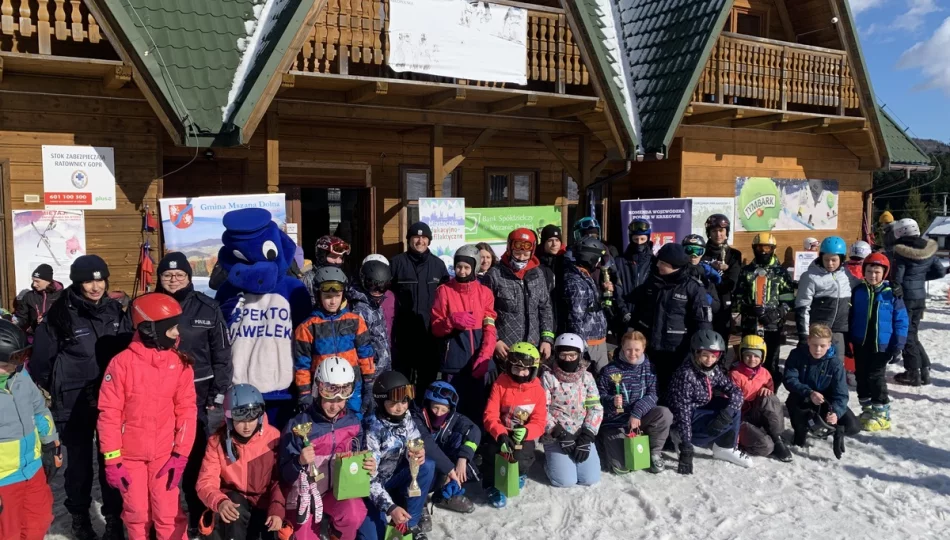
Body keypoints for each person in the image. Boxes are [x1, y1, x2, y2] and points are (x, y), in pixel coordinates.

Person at [28, 255, 131, 540]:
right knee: (79, 464)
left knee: (112, 458)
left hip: (111, 398)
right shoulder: (60, 314)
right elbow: (41, 363)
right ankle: (80, 517)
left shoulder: (115, 311)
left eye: (100, 279)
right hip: (73, 401)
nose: (95, 286)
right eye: (88, 280)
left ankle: (112, 519)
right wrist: (60, 385)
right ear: (77, 282)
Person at [97, 293, 197, 540]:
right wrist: (112, 459)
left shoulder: (179, 364)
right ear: (151, 329)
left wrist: (180, 454)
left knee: (168, 514)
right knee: (137, 513)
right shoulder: (121, 364)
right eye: (171, 328)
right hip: (130, 457)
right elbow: (108, 414)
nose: (177, 333)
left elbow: (186, 411)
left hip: (165, 456)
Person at [154, 252, 232, 531]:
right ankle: (165, 518)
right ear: (159, 278)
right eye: (167, 275)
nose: (173, 279)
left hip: (200, 395)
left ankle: (199, 515)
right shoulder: (149, 306)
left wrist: (219, 392)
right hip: (159, 396)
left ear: (188, 277)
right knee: (163, 458)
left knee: (197, 457)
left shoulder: (206, 307)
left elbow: (222, 354)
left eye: (180, 275)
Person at [280, 358, 374, 540]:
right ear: (318, 391)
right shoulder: (299, 424)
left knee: (354, 512)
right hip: (305, 497)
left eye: (341, 400)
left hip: (337, 493)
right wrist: (298, 461)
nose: (335, 405)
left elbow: (359, 457)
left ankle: (336, 533)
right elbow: (284, 474)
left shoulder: (353, 423)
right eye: (329, 398)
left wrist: (368, 467)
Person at [196, 384, 284, 540]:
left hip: (263, 503)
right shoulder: (217, 442)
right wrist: (219, 501)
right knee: (233, 509)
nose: (247, 426)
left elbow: (279, 481)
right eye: (240, 419)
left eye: (252, 419)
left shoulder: (273, 438)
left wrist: (276, 510)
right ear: (229, 418)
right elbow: (206, 481)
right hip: (234, 502)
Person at [0, 319, 61, 540]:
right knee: (9, 533)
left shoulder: (20, 376)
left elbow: (40, 410)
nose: (14, 366)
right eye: (8, 361)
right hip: (4, 480)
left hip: (32, 469)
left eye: (19, 359)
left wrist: (50, 444)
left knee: (39, 522)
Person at [360, 371, 436, 540]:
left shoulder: (406, 417)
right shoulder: (372, 429)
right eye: (394, 402)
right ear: (381, 401)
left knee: (427, 466)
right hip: (372, 488)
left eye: (404, 401)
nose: (400, 407)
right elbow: (368, 479)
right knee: (373, 536)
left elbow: (414, 442)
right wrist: (390, 507)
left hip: (393, 477)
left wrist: (416, 455)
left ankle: (409, 525)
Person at [631, 243, 711, 397]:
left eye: (663, 263)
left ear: (675, 266)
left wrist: (698, 351)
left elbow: (703, 323)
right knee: (651, 391)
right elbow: (638, 311)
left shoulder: (693, 287)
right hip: (650, 348)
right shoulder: (652, 282)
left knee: (674, 393)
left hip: (677, 352)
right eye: (659, 261)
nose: (658, 265)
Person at [294, 266, 375, 417]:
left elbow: (366, 355)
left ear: (343, 295)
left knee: (354, 423)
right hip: (324, 388)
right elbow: (301, 364)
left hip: (352, 385)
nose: (333, 301)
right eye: (327, 296)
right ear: (318, 295)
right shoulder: (307, 327)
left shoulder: (355, 321)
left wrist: (369, 384)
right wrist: (304, 393)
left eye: (337, 296)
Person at [430, 245, 498, 423]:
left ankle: (477, 445)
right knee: (453, 407)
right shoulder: (444, 291)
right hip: (453, 362)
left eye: (467, 267)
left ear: (474, 268)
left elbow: (490, 329)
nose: (462, 271)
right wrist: (451, 321)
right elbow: (436, 328)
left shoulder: (485, 293)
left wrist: (485, 358)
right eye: (458, 266)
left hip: (477, 362)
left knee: (478, 408)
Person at [668, 330, 751, 475]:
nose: (709, 360)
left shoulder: (713, 370)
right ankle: (682, 437)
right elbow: (683, 412)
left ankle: (725, 448)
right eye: (705, 355)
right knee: (726, 420)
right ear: (696, 353)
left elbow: (735, 391)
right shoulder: (686, 375)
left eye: (714, 356)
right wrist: (686, 446)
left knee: (732, 408)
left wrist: (727, 413)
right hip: (684, 419)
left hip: (701, 410)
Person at [597, 331, 672, 474]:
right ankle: (604, 441)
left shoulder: (649, 368)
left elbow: (653, 394)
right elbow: (599, 396)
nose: (632, 353)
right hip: (615, 422)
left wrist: (637, 413)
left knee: (664, 413)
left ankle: (654, 452)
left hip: (638, 419)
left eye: (637, 349)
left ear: (643, 349)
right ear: (622, 348)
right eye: (628, 349)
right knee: (621, 468)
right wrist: (611, 400)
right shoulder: (609, 370)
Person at [481, 342, 546, 508]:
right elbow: (490, 414)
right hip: (501, 431)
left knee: (523, 456)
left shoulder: (538, 390)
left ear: (533, 370)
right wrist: (500, 433)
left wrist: (527, 431)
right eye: (516, 368)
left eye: (525, 369)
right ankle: (492, 485)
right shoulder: (500, 384)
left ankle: (520, 473)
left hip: (522, 434)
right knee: (491, 453)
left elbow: (539, 421)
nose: (520, 373)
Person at [850, 253, 908, 430]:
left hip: (882, 345)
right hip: (861, 342)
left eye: (877, 272)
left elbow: (901, 320)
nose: (873, 275)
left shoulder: (892, 294)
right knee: (861, 376)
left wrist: (898, 346)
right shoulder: (859, 292)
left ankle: (882, 413)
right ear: (863, 272)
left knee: (875, 378)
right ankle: (868, 409)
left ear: (884, 273)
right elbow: (851, 316)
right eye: (869, 271)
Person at [784, 323, 859, 459]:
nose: (818, 349)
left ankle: (836, 430)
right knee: (795, 404)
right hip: (803, 395)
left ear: (829, 345)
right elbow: (790, 379)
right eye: (814, 345)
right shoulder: (797, 355)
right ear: (808, 342)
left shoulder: (835, 363)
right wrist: (809, 392)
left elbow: (841, 393)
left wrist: (835, 412)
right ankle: (800, 432)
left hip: (826, 400)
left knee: (853, 426)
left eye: (822, 346)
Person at [390, 222, 450, 390]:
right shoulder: (396, 263)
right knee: (402, 381)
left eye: (424, 237)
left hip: (429, 335)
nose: (420, 241)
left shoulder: (438, 265)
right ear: (409, 239)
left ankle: (424, 413)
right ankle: (404, 412)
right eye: (416, 237)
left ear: (429, 241)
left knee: (427, 379)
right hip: (404, 334)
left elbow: (447, 299)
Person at [539, 334, 603, 487]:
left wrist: (587, 435)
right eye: (563, 355)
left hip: (581, 434)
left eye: (572, 355)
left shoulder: (587, 377)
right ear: (557, 354)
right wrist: (559, 432)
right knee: (565, 481)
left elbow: (595, 407)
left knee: (590, 479)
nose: (568, 359)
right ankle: (549, 463)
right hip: (557, 434)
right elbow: (542, 409)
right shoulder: (548, 377)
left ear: (579, 355)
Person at [483, 228, 555, 363]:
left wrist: (547, 339)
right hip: (505, 348)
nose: (521, 258)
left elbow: (545, 308)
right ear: (509, 250)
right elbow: (485, 313)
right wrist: (495, 340)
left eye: (525, 254)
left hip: (533, 346)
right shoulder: (495, 275)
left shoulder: (537, 274)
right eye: (517, 253)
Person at [891, 218, 947, 386]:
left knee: (906, 335)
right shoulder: (928, 248)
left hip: (906, 298)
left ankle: (913, 373)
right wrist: (921, 279)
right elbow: (940, 271)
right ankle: (925, 369)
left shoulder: (902, 251)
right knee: (912, 333)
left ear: (900, 232)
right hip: (920, 297)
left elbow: (898, 278)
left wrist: (897, 289)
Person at [734, 233, 795, 382]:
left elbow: (788, 300)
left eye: (767, 247)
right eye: (759, 247)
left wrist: (776, 314)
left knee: (771, 363)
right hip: (750, 324)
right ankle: (748, 392)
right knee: (748, 360)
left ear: (773, 249)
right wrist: (747, 309)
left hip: (772, 325)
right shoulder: (746, 271)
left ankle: (769, 394)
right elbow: (737, 299)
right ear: (754, 249)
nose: (763, 251)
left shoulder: (780, 273)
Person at [410, 382, 479, 513]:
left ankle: (444, 494)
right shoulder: (416, 417)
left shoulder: (452, 418)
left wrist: (463, 458)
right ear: (428, 404)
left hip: (440, 468)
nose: (438, 413)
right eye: (435, 408)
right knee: (423, 461)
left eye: (444, 410)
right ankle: (419, 503)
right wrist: (450, 470)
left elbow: (474, 430)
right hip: (416, 468)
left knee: (460, 444)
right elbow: (427, 444)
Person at [729, 335, 792, 462]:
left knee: (769, 397)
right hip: (739, 418)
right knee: (766, 447)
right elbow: (730, 404)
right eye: (748, 355)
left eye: (756, 355)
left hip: (756, 414)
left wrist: (766, 391)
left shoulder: (765, 373)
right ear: (741, 355)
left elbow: (771, 404)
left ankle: (776, 437)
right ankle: (754, 441)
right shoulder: (735, 374)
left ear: (762, 356)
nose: (752, 359)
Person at [795, 236, 851, 365]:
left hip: (839, 330)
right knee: (817, 366)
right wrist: (804, 335)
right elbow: (802, 307)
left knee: (836, 365)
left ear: (841, 259)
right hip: (819, 331)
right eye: (826, 259)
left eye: (834, 260)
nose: (830, 263)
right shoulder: (810, 276)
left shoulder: (845, 275)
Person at [563, 237, 612, 372]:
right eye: (597, 259)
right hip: (590, 342)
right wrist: (581, 345)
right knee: (598, 377)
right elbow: (576, 315)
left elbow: (589, 303)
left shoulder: (584, 276)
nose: (598, 263)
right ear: (589, 257)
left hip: (597, 338)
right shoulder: (576, 282)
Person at [348, 255, 395, 381]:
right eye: (373, 286)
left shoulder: (374, 303)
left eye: (383, 287)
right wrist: (367, 373)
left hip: (382, 369)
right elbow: (358, 345)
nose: (378, 291)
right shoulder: (359, 309)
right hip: (369, 374)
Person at [701, 214, 742, 351]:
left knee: (720, 341)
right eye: (714, 231)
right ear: (709, 233)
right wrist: (710, 268)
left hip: (723, 302)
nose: (718, 234)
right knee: (703, 341)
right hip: (703, 301)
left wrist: (717, 277)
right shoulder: (702, 252)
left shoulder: (734, 255)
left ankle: (720, 369)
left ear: (726, 232)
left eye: (721, 231)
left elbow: (732, 283)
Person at [615, 218, 655, 334]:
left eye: (642, 239)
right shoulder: (620, 262)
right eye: (635, 239)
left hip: (646, 319)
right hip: (624, 316)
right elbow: (617, 289)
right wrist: (624, 312)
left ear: (648, 239)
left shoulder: (654, 262)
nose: (639, 242)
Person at [14, 263, 63, 336]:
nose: (34, 284)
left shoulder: (62, 296)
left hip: (57, 337)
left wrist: (48, 320)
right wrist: (14, 322)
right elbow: (22, 317)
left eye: (37, 281)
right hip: (36, 337)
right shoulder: (29, 296)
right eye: (33, 281)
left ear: (48, 281)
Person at [301, 235, 351, 304]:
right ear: (322, 256)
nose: (337, 261)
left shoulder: (344, 278)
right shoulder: (308, 279)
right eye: (333, 256)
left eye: (340, 257)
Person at [682, 234, 722, 315]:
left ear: (703, 253)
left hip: (701, 319)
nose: (693, 255)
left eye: (698, 251)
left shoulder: (706, 275)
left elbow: (716, 307)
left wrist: (704, 297)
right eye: (689, 250)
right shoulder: (676, 271)